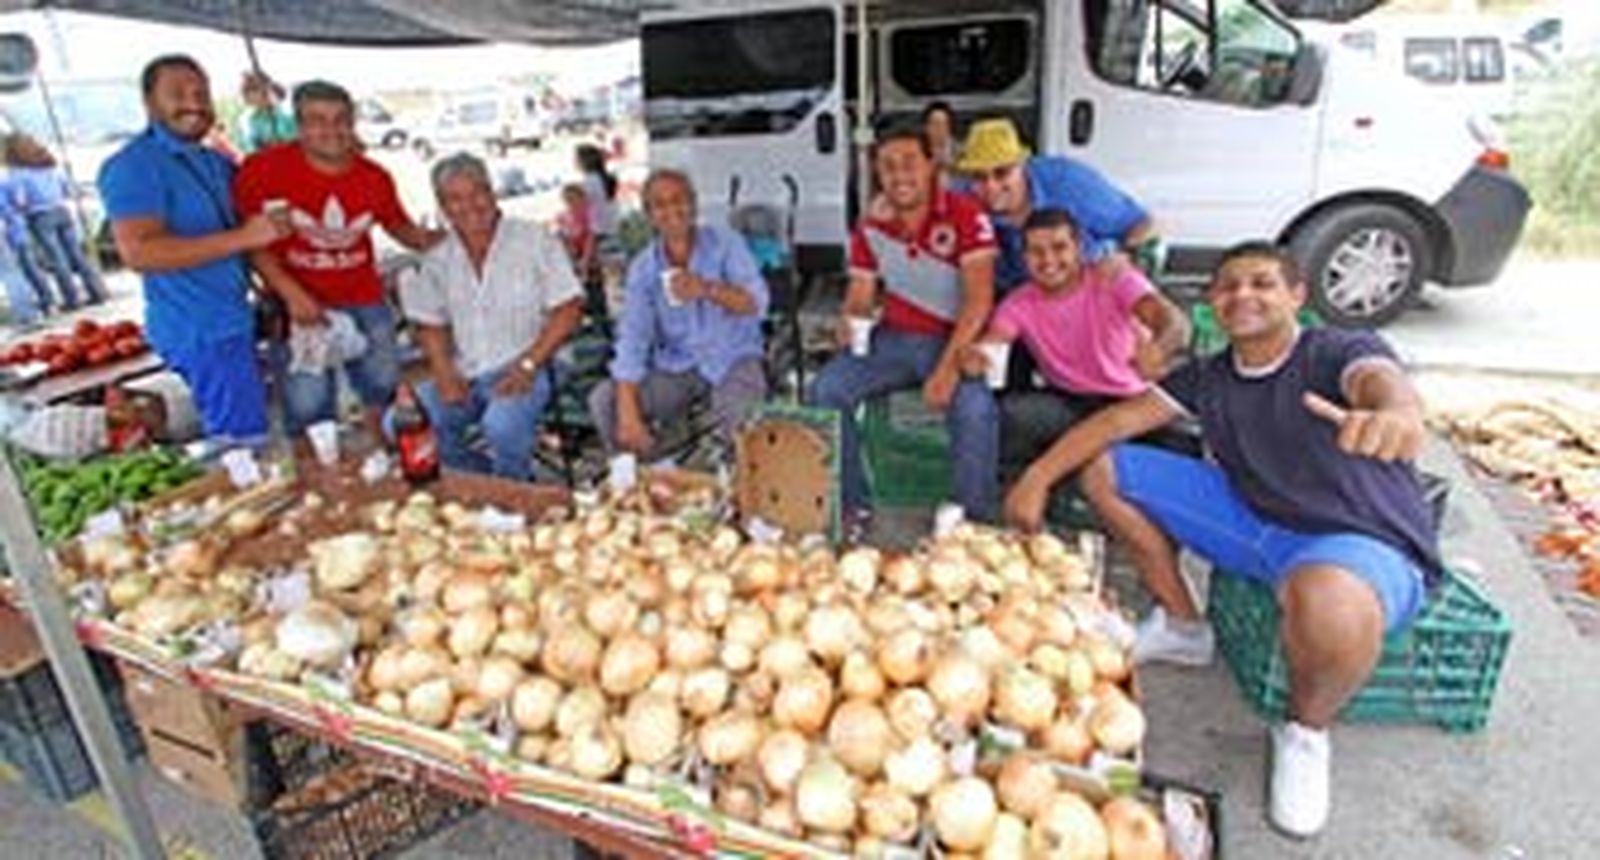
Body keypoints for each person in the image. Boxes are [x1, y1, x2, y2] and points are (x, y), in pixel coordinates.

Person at [1005, 241, 1437, 839]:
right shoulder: (1210, 376)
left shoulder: (1333, 350)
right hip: (1254, 520)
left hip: (1351, 539)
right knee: (1105, 467)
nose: (1243, 296)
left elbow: (1381, 383)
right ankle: (1185, 627)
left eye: (1262, 283)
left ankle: (1305, 731)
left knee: (1329, 603)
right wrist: (1037, 475)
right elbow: (1116, 421)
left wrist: (1395, 415)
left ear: (1297, 295)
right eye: (1228, 285)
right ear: (1212, 301)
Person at [811, 123, 1000, 532]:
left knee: (974, 408)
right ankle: (853, 507)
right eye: (888, 166)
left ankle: (976, 525)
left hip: (955, 339)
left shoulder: (966, 214)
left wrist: (947, 370)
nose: (899, 175)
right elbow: (861, 295)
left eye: (909, 163)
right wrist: (850, 321)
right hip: (894, 339)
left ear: (931, 164)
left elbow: (979, 300)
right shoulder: (871, 224)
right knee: (826, 388)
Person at [233, 79, 441, 440]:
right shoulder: (263, 169)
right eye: (318, 120)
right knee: (308, 401)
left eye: (341, 119)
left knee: (382, 384)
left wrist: (445, 241)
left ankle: (384, 453)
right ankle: (322, 475)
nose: (331, 130)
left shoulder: (374, 176)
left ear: (353, 121)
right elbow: (254, 244)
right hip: (298, 302)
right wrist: (291, 295)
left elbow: (398, 226)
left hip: (363, 296)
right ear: (298, 125)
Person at [98, 55, 290, 444]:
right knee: (242, 440)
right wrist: (245, 239)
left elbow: (252, 221)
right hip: (200, 327)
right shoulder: (133, 165)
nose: (194, 103)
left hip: (233, 315)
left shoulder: (213, 160)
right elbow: (140, 253)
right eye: (178, 94)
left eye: (201, 93)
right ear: (150, 103)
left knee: (256, 422)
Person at [961, 209, 1191, 485]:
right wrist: (976, 357)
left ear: (1078, 248)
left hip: (1132, 402)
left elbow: (1175, 323)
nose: (1048, 260)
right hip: (1069, 402)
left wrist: (1159, 348)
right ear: (1024, 258)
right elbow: (993, 343)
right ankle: (1019, 493)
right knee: (1013, 414)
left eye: (1059, 248)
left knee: (1183, 453)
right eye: (1036, 252)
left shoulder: (1114, 279)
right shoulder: (1017, 304)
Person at [398, 153, 583, 480]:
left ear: (492, 192)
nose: (469, 205)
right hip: (469, 371)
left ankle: (511, 497)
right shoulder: (439, 256)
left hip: (539, 362)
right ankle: (492, 484)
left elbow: (569, 309)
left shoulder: (534, 239)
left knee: (501, 425)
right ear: (442, 206)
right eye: (455, 199)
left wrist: (528, 364)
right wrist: (442, 369)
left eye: (477, 193)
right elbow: (429, 321)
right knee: (402, 421)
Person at [588, 168, 769, 460]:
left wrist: (707, 288)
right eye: (659, 204)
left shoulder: (726, 244)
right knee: (605, 401)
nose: (671, 209)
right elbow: (633, 338)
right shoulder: (644, 269)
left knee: (743, 429)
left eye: (679, 199)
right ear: (649, 215)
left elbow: (757, 304)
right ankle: (656, 482)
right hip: (677, 367)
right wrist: (627, 408)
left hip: (733, 357)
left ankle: (741, 497)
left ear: (694, 204)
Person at [957, 117, 1159, 293]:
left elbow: (1144, 222)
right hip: (1027, 309)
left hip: (1095, 291)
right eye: (979, 177)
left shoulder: (1068, 181)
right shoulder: (965, 202)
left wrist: (1126, 259)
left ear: (1023, 165)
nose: (991, 186)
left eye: (1002, 172)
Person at [4, 133, 109, 308]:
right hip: (62, 211)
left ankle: (71, 299)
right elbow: (67, 190)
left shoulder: (17, 174)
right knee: (77, 254)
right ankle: (96, 291)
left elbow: (20, 201)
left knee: (57, 259)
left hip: (40, 217)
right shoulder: (48, 167)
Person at [237, 72, 296, 154]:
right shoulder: (247, 119)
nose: (244, 95)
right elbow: (249, 148)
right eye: (243, 91)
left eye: (247, 90)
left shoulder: (289, 113)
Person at [921, 100, 960, 184]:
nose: (939, 129)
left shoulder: (961, 154)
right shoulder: (918, 153)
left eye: (944, 124)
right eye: (935, 124)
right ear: (926, 127)